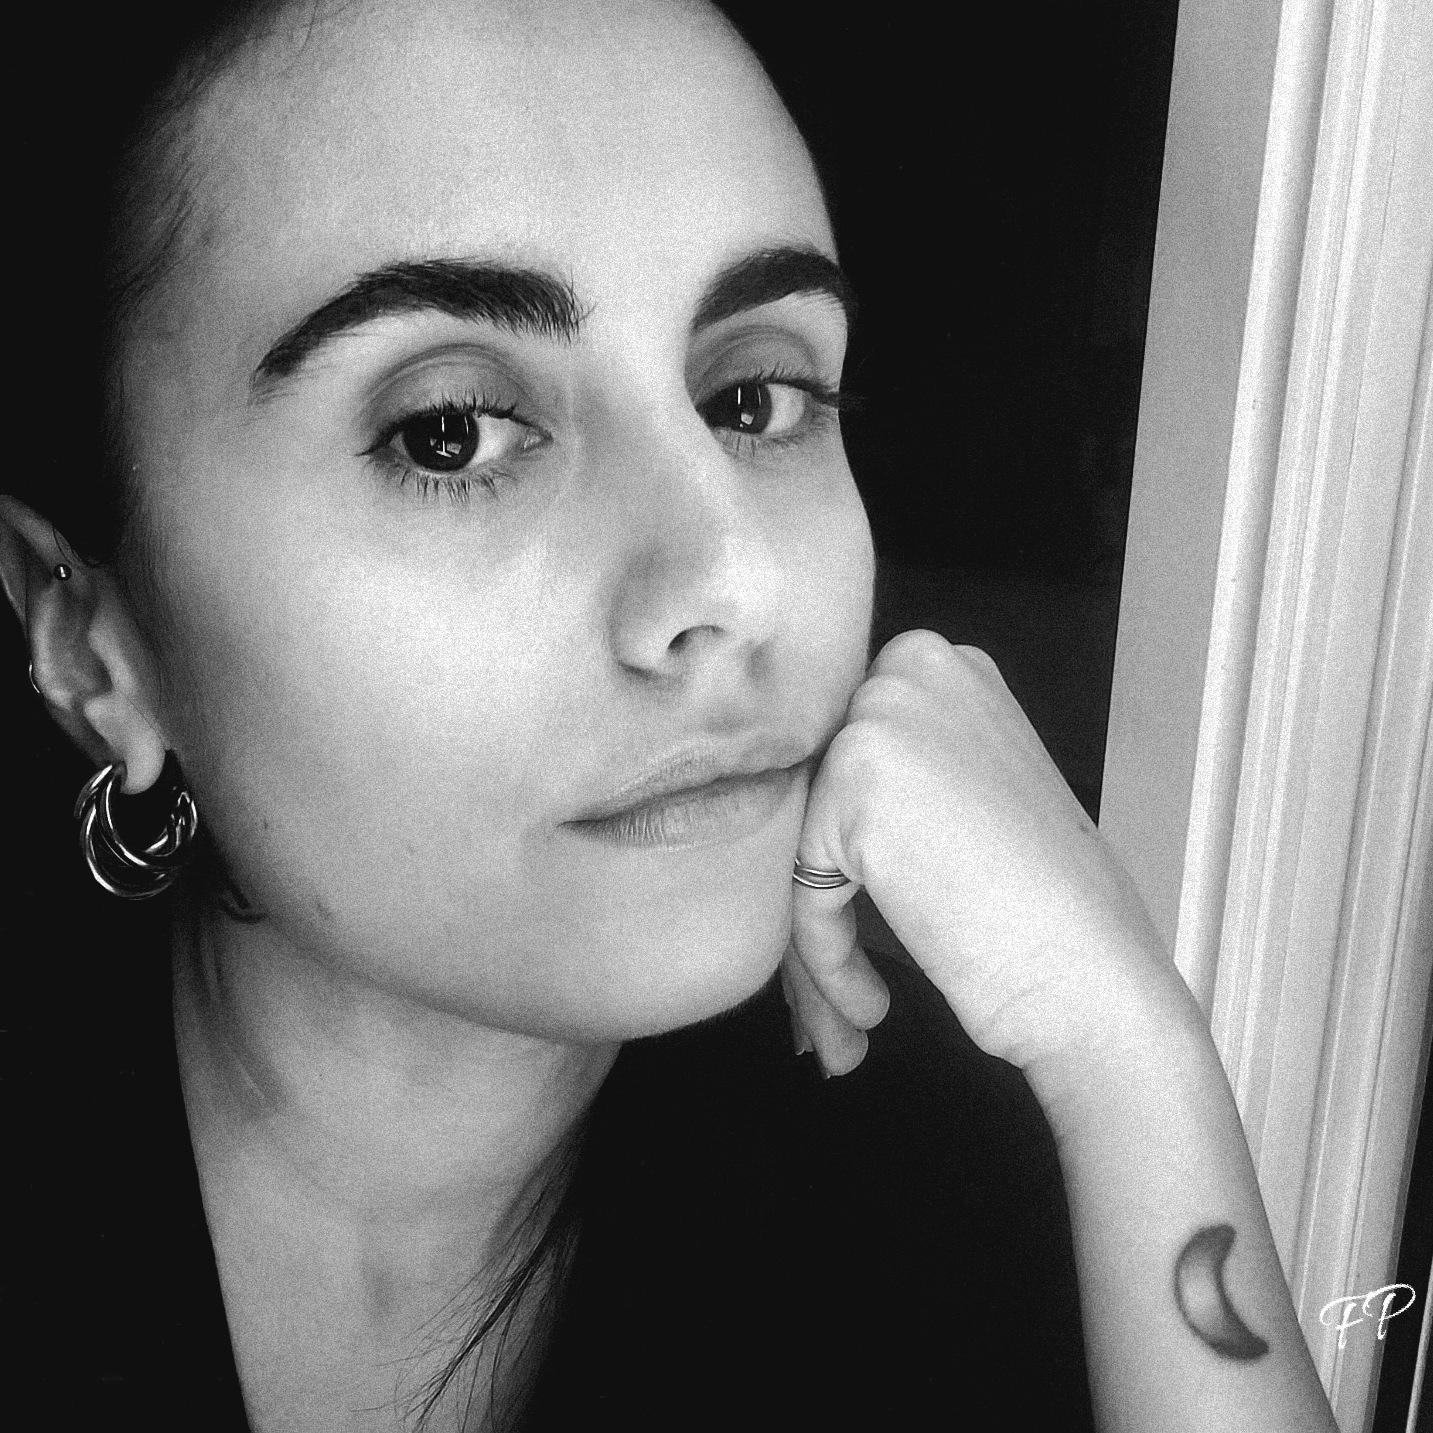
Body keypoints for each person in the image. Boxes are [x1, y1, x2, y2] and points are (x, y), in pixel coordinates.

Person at [0, 0, 1339, 1428]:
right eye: (449, 432)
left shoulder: (947, 1219)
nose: (731, 577)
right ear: (95, 650)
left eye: (754, 398)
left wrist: (1131, 1056)